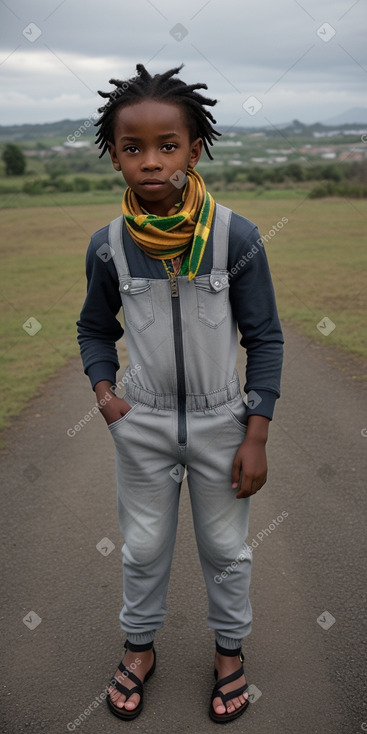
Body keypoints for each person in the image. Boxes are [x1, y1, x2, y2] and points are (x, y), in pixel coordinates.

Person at [77, 63, 283, 724]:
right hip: (143, 422)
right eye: (131, 147)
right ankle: (139, 649)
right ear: (114, 156)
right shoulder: (108, 247)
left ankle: (228, 653)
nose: (150, 161)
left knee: (225, 549)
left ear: (194, 150)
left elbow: (266, 338)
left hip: (224, 423)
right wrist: (107, 397)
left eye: (167, 146)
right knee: (141, 548)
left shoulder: (236, 238)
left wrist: (256, 430)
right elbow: (92, 329)